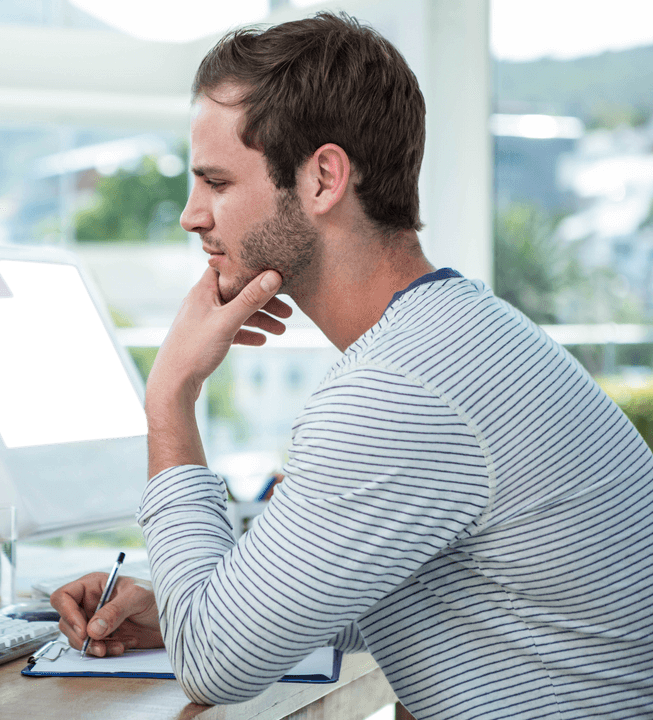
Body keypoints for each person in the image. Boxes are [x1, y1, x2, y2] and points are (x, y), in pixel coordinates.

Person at [50, 11, 653, 719]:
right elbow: (434, 587)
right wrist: (188, 606)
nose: (191, 215)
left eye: (215, 182)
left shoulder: (398, 388)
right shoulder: (460, 332)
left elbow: (213, 666)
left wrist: (170, 393)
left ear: (323, 179)